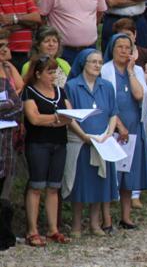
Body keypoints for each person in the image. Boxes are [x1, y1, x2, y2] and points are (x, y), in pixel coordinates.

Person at [63, 49, 118, 237]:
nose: (97, 65)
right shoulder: (72, 86)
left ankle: (95, 224)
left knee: (99, 183)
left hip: (103, 141)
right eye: (93, 61)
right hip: (81, 141)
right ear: (83, 64)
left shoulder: (107, 86)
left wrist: (109, 134)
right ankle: (77, 224)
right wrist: (84, 136)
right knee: (80, 183)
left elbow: (113, 113)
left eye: (100, 62)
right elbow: (69, 117)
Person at [101, 34, 147, 229]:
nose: (124, 51)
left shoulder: (137, 70)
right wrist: (118, 125)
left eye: (127, 48)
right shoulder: (105, 71)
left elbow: (139, 95)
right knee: (108, 174)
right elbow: (106, 102)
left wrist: (130, 71)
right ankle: (106, 219)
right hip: (111, 128)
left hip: (134, 128)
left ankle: (125, 216)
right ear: (112, 49)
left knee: (128, 175)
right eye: (119, 47)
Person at [22, 55, 72, 246]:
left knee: (54, 187)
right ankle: (32, 230)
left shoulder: (60, 91)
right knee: (36, 186)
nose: (54, 75)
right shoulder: (30, 92)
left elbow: (70, 114)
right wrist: (55, 119)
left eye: (55, 71)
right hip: (38, 143)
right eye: (49, 72)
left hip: (60, 143)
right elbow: (33, 118)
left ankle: (53, 229)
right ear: (38, 73)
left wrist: (52, 119)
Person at [0, 0, 42, 70]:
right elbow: (2, 29)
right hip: (5, 54)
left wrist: (14, 20)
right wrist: (27, 23)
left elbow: (37, 19)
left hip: (28, 53)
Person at [0, 32, 21, 249]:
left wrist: (7, 66)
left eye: (7, 45)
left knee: (6, 188)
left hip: (7, 139)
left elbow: (17, 103)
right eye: (1, 46)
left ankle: (5, 235)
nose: (5, 50)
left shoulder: (7, 72)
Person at [112, 18, 147, 85]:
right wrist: (143, 76)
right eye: (121, 36)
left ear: (135, 34)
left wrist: (128, 78)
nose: (126, 38)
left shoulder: (144, 52)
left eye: (128, 35)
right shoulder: (113, 53)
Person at [0, 28, 23, 96]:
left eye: (7, 45)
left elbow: (21, 87)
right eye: (0, 45)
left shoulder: (8, 66)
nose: (5, 49)